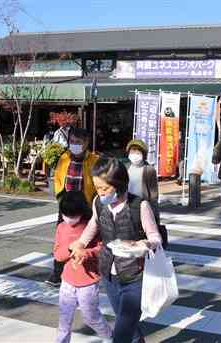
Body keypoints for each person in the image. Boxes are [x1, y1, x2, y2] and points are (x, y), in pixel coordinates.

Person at [69, 157, 162, 343]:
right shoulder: (98, 203)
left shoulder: (139, 206)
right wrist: (80, 244)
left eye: (105, 188)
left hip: (134, 276)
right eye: (97, 188)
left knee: (121, 333)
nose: (100, 193)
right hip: (109, 275)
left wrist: (143, 245)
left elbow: (156, 238)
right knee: (130, 327)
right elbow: (93, 226)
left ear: (119, 185)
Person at [54, 191, 112, 343]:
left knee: (91, 316)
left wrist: (85, 253)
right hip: (67, 281)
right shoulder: (61, 227)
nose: (69, 219)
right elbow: (58, 255)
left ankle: (108, 336)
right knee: (64, 320)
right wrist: (70, 248)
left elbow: (101, 248)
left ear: (81, 212)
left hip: (88, 281)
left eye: (73, 215)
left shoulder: (90, 227)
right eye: (66, 215)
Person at [45, 128, 100, 287]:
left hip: (85, 206)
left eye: (78, 142)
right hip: (67, 206)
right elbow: (57, 179)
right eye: (72, 142)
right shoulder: (64, 158)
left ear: (86, 143)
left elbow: (97, 183)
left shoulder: (94, 160)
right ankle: (57, 273)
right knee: (62, 239)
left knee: (88, 239)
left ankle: (88, 271)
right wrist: (60, 198)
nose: (74, 145)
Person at [125, 139, 159, 219]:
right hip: (127, 205)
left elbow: (153, 193)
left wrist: (155, 213)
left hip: (142, 206)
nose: (135, 155)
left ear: (143, 155)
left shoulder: (149, 170)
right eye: (132, 153)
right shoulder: (125, 167)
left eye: (138, 153)